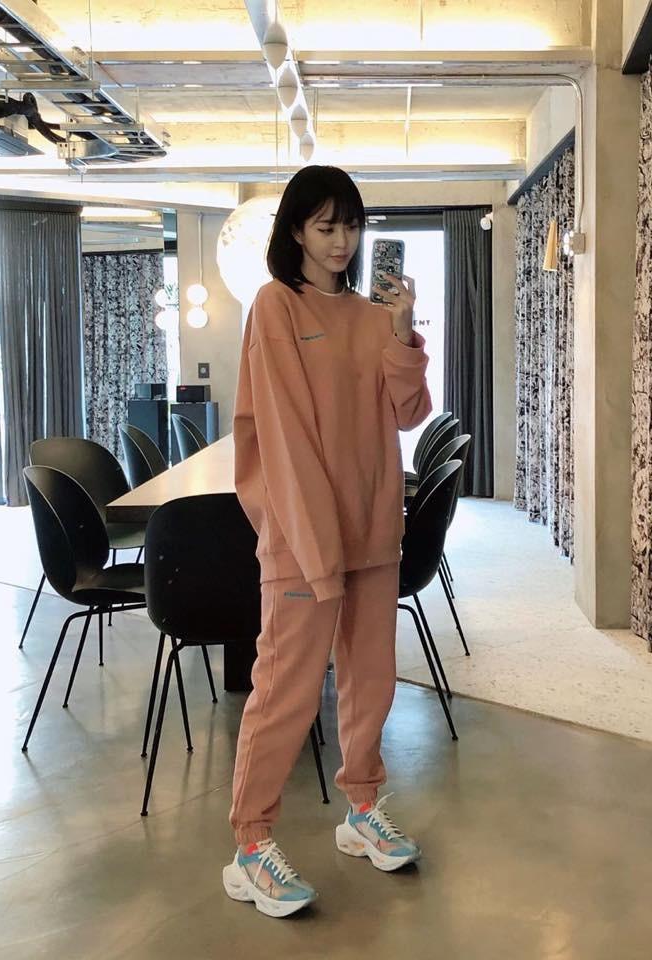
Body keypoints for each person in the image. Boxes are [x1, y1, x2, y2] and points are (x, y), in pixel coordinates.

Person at [222, 165, 432, 918]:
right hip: (301, 537)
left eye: (351, 225)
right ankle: (251, 846)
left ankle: (363, 809)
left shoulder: (374, 315)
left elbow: (409, 413)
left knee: (372, 680)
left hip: (372, 530)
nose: (341, 241)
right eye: (325, 226)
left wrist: (402, 332)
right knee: (286, 688)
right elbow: (280, 434)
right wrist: (312, 548)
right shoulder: (275, 306)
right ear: (296, 231)